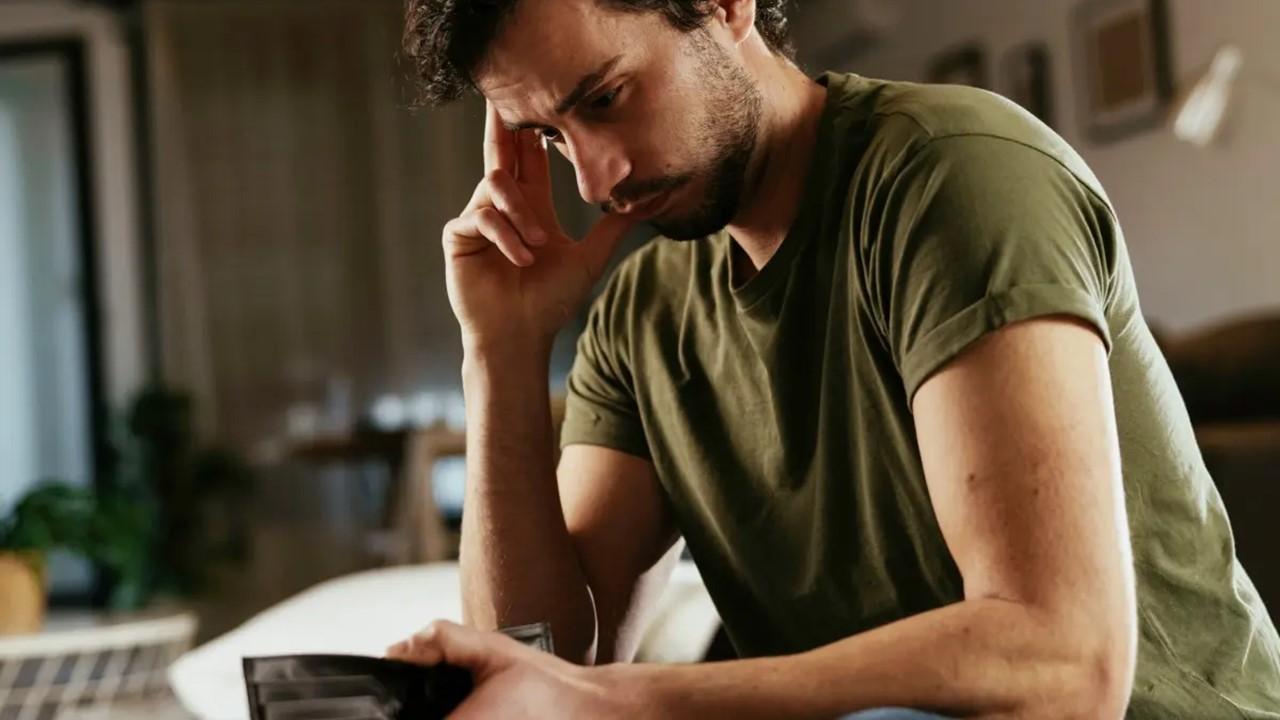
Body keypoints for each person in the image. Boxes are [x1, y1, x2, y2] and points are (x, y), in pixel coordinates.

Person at [384, 0, 1280, 717]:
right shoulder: (640, 313)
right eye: (547, 135)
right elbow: (542, 665)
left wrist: (618, 702)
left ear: (723, 6)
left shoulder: (953, 179)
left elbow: (1062, 668)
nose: (593, 179)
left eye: (605, 99)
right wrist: (500, 355)